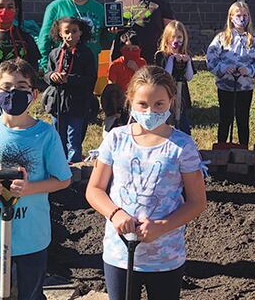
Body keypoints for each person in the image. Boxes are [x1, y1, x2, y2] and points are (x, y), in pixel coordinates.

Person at [85, 66, 207, 300]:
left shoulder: (183, 146)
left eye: (159, 104)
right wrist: (115, 214)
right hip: (119, 253)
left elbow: (196, 201)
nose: (150, 111)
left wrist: (162, 226)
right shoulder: (115, 139)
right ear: (130, 100)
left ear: (171, 101)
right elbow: (95, 189)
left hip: (165, 257)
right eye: (143, 104)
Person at [0, 59, 72, 300]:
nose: (13, 93)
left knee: (30, 294)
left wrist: (30, 188)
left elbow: (63, 180)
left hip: (32, 236)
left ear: (33, 94)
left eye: (21, 88)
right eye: (7, 88)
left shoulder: (45, 134)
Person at [206, 1, 255, 149]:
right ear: (231, 17)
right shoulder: (222, 37)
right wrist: (223, 68)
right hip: (225, 86)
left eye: (245, 15)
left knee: (242, 117)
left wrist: (250, 71)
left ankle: (243, 148)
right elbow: (211, 58)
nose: (242, 18)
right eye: (238, 15)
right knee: (225, 117)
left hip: (245, 87)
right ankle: (221, 147)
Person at [43, 17, 98, 163]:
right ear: (60, 33)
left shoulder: (86, 54)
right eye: (66, 32)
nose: (70, 35)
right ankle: (58, 163)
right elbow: (47, 74)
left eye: (74, 31)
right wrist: (52, 76)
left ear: (80, 32)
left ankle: (74, 168)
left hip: (78, 103)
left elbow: (91, 78)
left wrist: (70, 79)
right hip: (57, 103)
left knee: (74, 137)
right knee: (57, 135)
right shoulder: (55, 53)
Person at [37, 0, 110, 69]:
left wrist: (112, 33)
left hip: (89, 65)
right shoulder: (56, 7)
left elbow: (103, 38)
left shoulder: (98, 8)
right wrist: (45, 66)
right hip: (62, 64)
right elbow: (45, 38)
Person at [111, 0, 175, 63]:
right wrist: (112, 30)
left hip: (150, 57)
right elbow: (111, 28)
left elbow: (171, 30)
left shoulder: (160, 3)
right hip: (123, 57)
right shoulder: (120, 2)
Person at [154, 21, 194, 134]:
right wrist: (171, 60)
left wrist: (188, 62)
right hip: (165, 95)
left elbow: (189, 77)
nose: (176, 40)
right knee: (166, 124)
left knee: (183, 125)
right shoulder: (161, 55)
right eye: (173, 37)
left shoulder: (185, 55)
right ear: (167, 38)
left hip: (181, 96)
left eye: (179, 37)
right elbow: (166, 76)